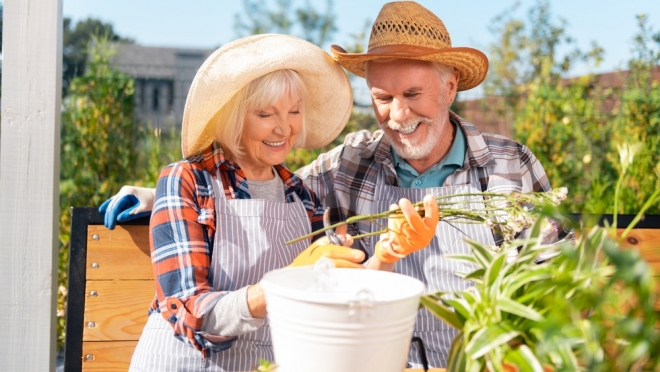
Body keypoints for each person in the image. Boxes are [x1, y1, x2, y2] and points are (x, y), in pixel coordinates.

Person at [101, 2, 553, 368]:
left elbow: (551, 283)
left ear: (450, 86)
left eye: (412, 94)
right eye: (382, 98)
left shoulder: (508, 166)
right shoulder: (349, 165)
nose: (398, 114)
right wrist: (154, 198)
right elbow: (240, 188)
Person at [123, 33, 437, 372]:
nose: (283, 128)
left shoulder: (303, 196)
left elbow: (336, 301)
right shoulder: (189, 180)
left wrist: (386, 256)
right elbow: (189, 311)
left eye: (294, 111)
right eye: (265, 114)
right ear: (234, 116)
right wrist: (285, 282)